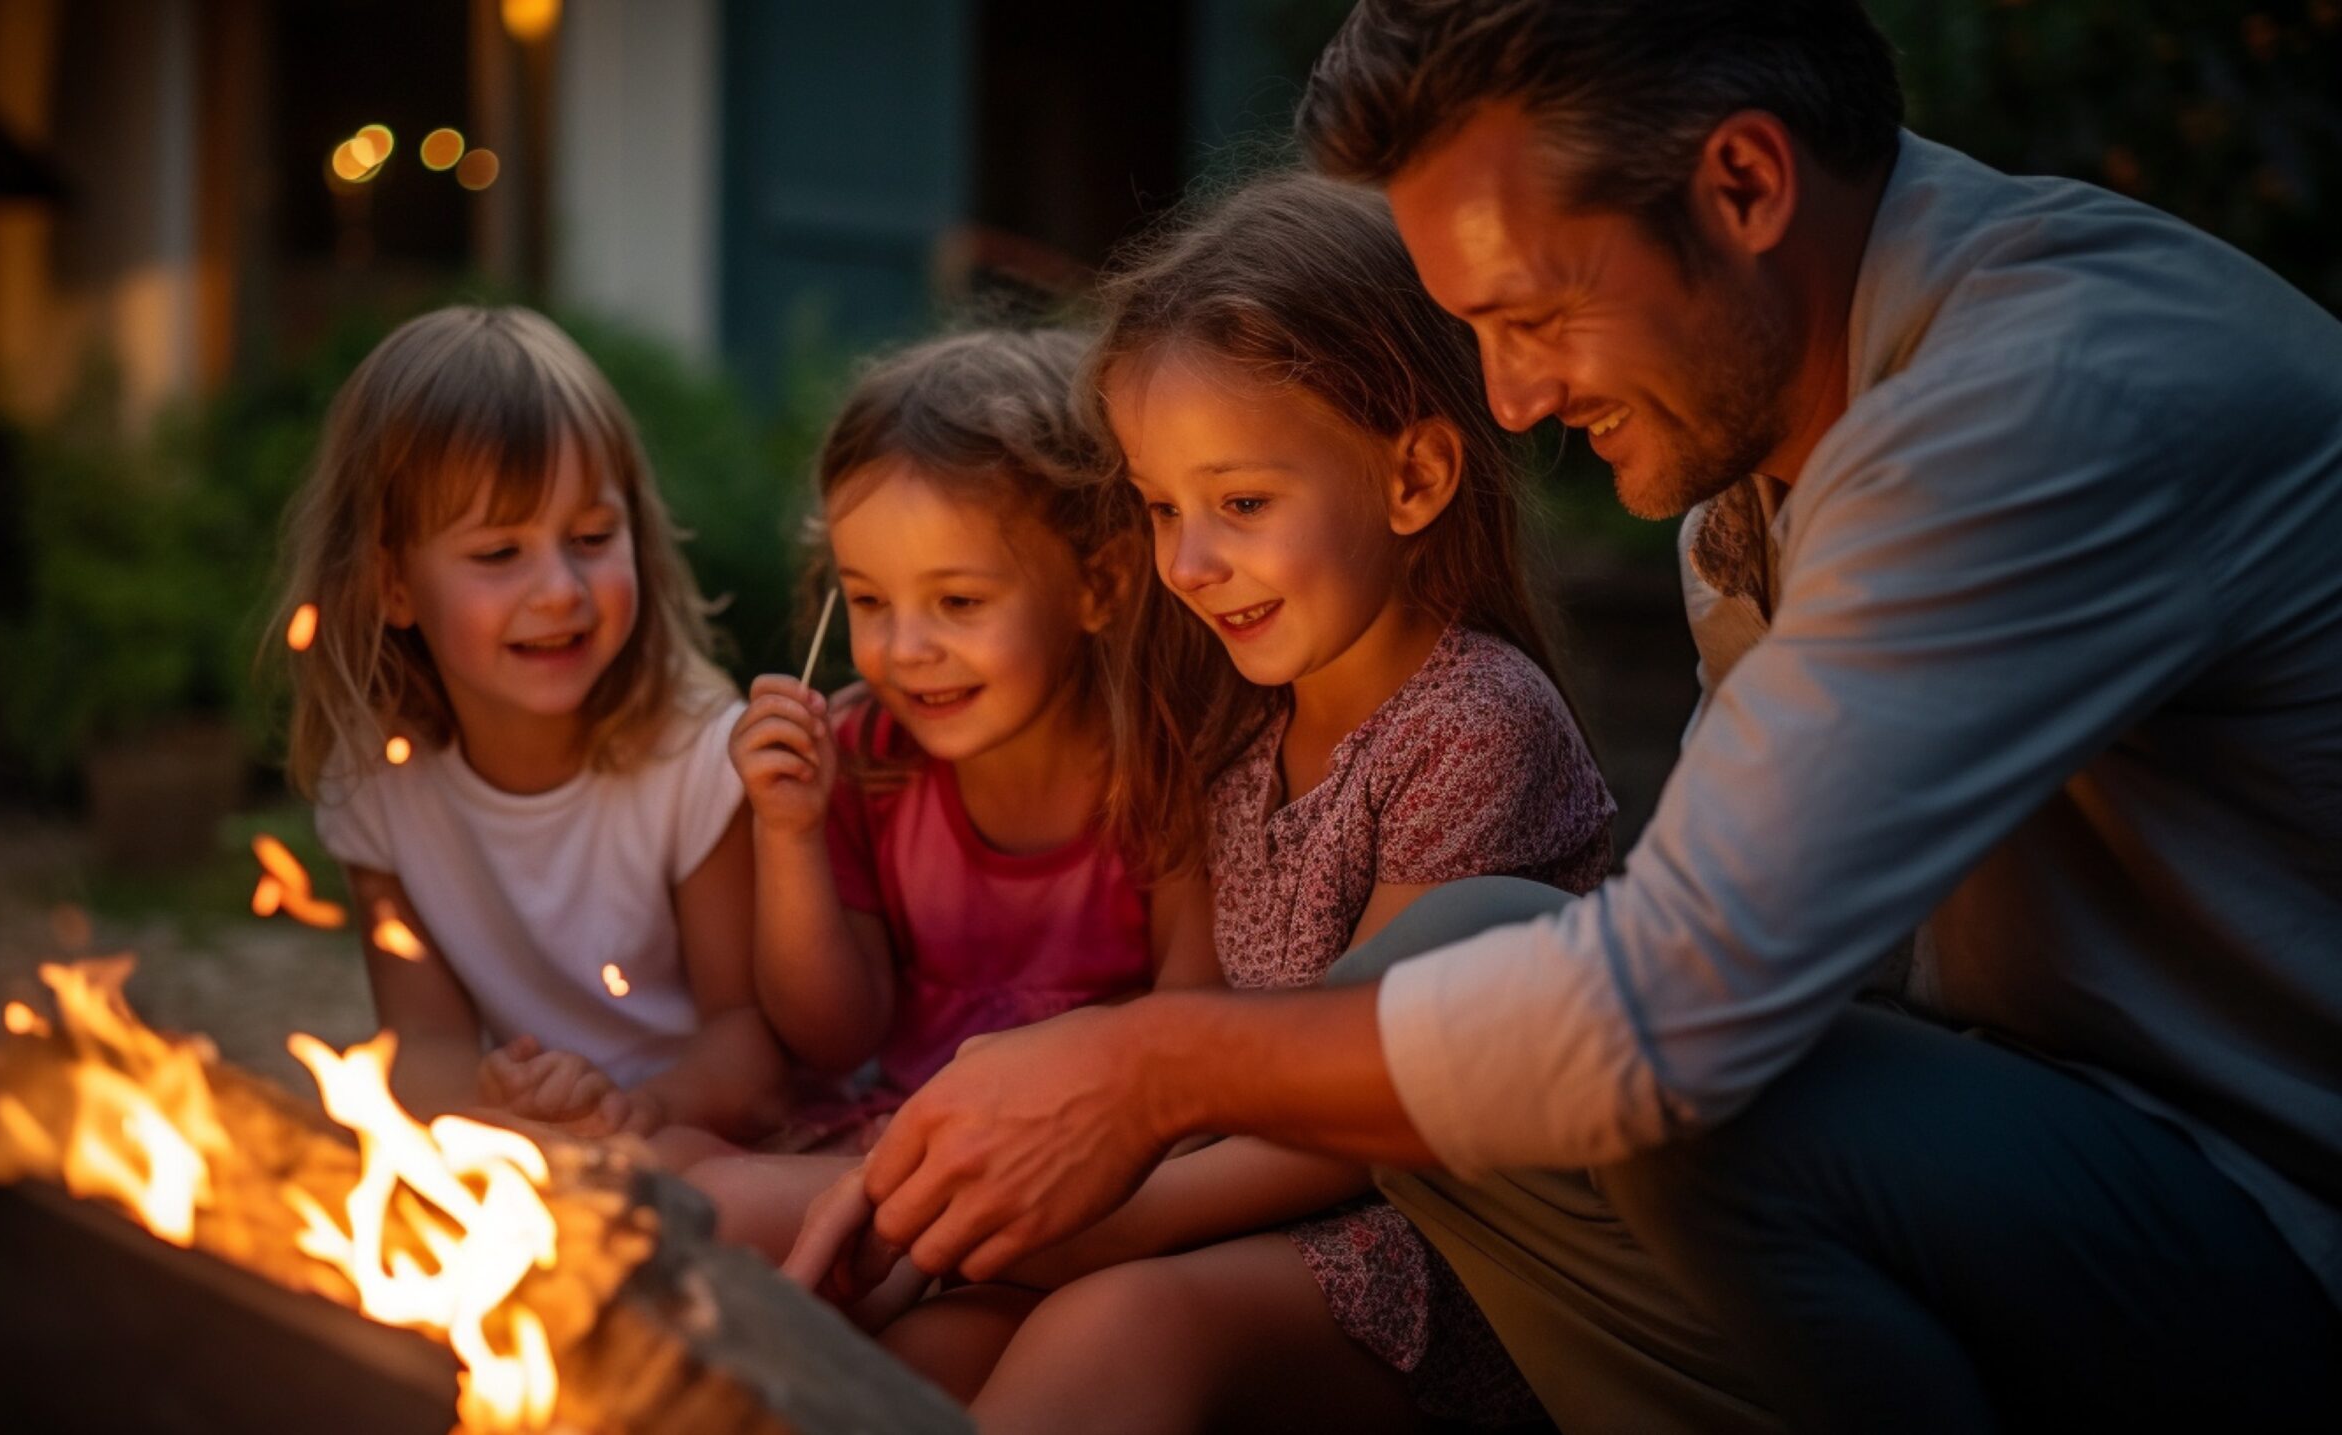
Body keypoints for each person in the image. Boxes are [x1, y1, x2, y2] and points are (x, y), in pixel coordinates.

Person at [835, 3, 2342, 1431]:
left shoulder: (2040, 404)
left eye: (1536, 310)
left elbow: (1670, 1010)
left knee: (1561, 1034)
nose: (1506, 398)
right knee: (1476, 982)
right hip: (2064, 1158)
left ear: (1743, 181)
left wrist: (1147, 1067)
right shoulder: (1760, 464)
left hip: (2272, 1230)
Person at [795, 175, 1613, 1432]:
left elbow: (1375, 1114)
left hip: (1453, 1248)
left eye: (1239, 504)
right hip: (1243, 1204)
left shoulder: (1477, 727)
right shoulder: (1238, 722)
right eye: (1163, 507)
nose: (1188, 562)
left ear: (1415, 476)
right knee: (933, 1340)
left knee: (1122, 1324)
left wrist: (1115, 1224)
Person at [681, 329, 1218, 1260]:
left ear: (1101, 584)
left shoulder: (1165, 770)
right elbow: (833, 1035)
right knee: (660, 1163)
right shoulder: (861, 758)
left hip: (1086, 1182)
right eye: (870, 600)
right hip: (888, 1132)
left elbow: (1197, 1032)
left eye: (959, 602)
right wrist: (789, 832)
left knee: (708, 1210)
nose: (904, 648)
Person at [276, 305, 784, 1142]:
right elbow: (427, 1039)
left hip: (700, 1130)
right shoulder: (377, 782)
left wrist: (634, 1111)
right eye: (498, 553)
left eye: (591, 536)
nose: (560, 590)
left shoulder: (694, 759)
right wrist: (488, 1097)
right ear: (392, 584)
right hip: (533, 1148)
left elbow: (752, 1051)